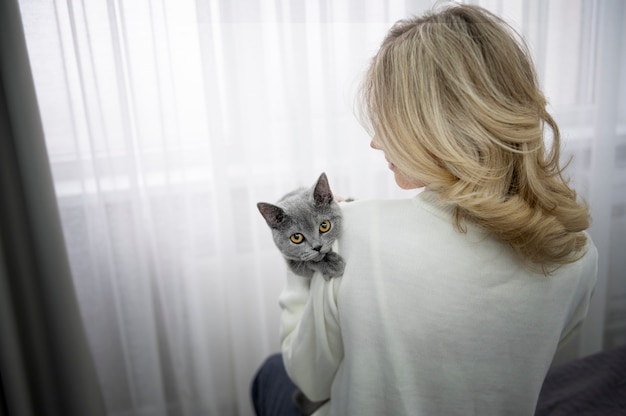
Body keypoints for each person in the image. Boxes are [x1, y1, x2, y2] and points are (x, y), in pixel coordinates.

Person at [251, 3, 598, 415]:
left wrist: (298, 270)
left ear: (433, 123)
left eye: (388, 121)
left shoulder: (356, 235)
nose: (376, 143)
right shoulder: (577, 252)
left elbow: (308, 378)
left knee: (270, 374)